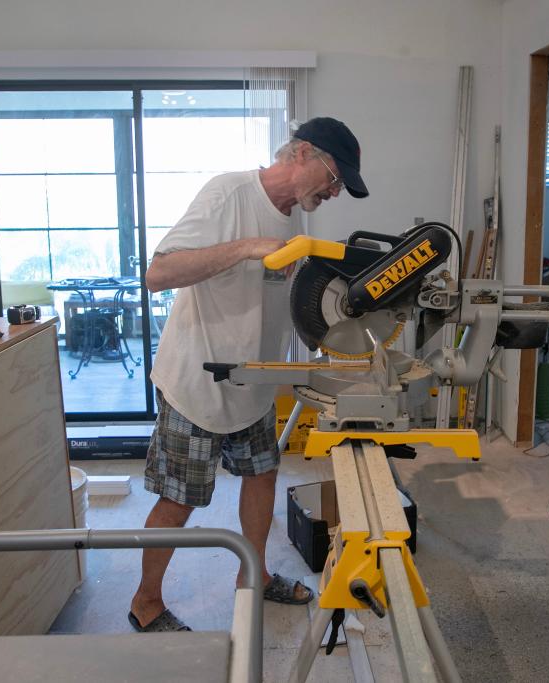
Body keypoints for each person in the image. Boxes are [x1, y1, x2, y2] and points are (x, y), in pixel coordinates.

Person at [129, 117, 369, 632]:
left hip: (253, 380)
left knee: (261, 477)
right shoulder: (228, 193)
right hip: (199, 378)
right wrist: (244, 247)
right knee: (179, 498)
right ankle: (145, 602)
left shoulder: (294, 220)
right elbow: (158, 273)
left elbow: (280, 299)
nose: (334, 190)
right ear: (302, 153)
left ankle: (253, 575)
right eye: (332, 176)